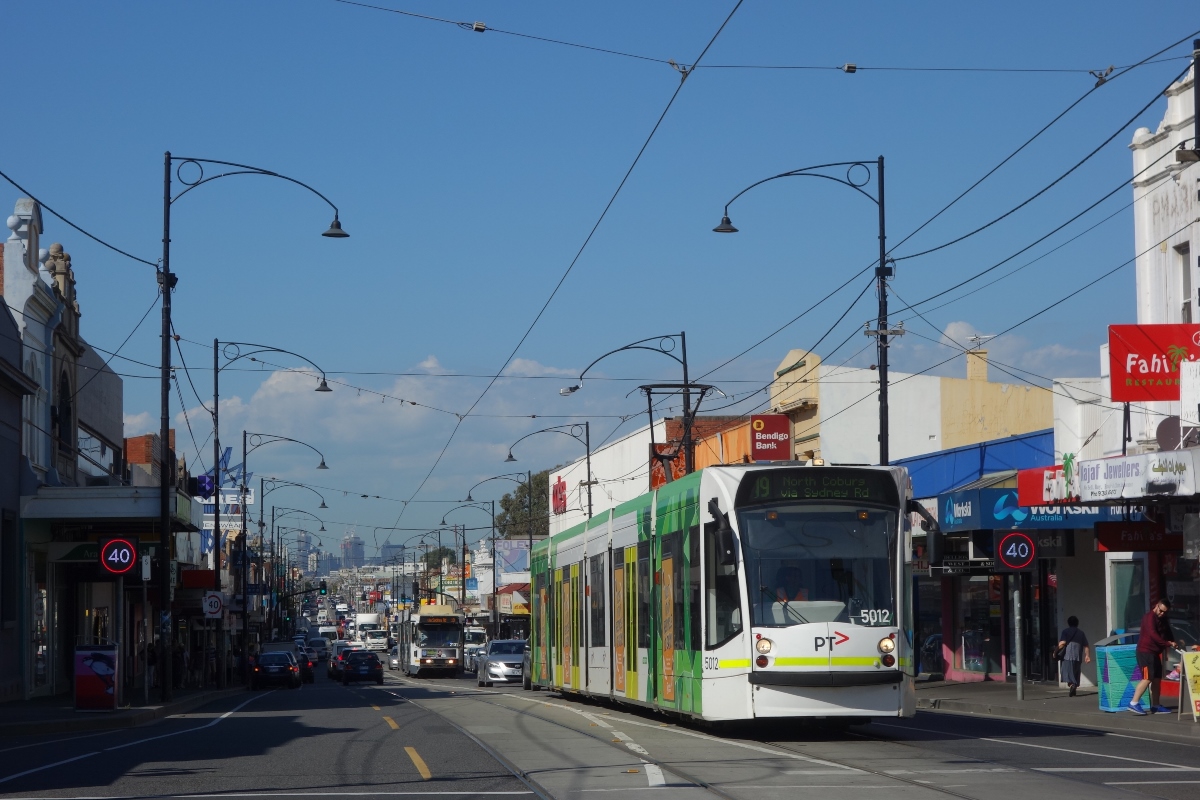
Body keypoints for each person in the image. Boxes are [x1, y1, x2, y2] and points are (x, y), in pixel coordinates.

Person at [1129, 598, 1176, 715]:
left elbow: (1167, 631)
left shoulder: (1163, 619)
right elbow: (1153, 634)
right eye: (1161, 610)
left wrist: (1173, 641)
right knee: (1147, 678)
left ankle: (1155, 705)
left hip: (1154, 653)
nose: (1162, 613)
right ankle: (1133, 703)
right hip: (1145, 652)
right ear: (1157, 606)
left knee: (1156, 679)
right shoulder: (1149, 617)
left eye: (1165, 612)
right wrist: (1167, 644)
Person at [1057, 616, 1090, 696]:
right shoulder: (1081, 633)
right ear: (1077, 623)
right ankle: (1074, 685)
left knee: (1067, 672)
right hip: (1078, 655)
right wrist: (1087, 656)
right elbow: (1086, 645)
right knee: (1076, 671)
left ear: (1068, 623)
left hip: (1067, 655)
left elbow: (1063, 643)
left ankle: (1072, 684)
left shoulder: (1065, 631)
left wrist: (1055, 651)